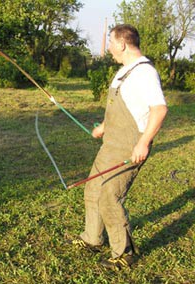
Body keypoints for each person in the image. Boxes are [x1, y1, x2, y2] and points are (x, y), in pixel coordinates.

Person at [71, 24, 168, 271]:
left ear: (122, 44)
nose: (109, 49)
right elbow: (123, 105)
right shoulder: (124, 71)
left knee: (109, 197)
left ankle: (124, 253)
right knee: (93, 189)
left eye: (111, 43)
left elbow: (159, 109)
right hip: (110, 142)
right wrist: (103, 126)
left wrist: (143, 143)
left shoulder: (145, 72)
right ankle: (92, 238)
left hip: (129, 145)